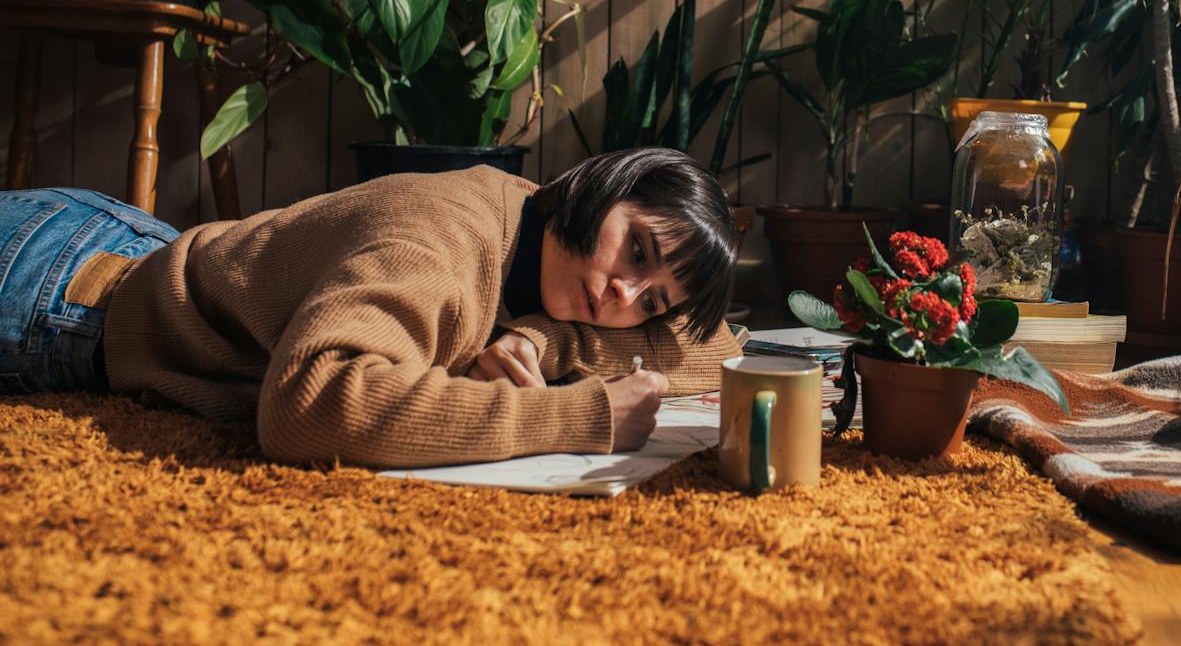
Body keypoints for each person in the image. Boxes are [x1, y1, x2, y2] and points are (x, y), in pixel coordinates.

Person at [0, 148, 742, 469]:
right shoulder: (441, 240)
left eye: (652, 304)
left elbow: (713, 349)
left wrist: (543, 342)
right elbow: (308, 402)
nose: (622, 296)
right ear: (602, 184)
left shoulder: (544, 235)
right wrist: (580, 416)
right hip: (60, 292)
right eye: (637, 251)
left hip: (147, 244)